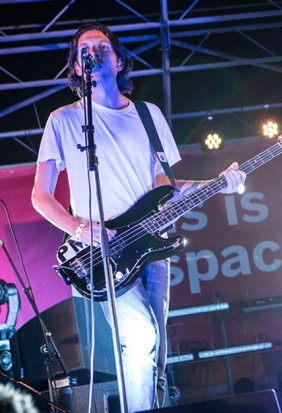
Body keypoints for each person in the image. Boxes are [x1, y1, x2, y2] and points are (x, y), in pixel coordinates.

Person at [31, 22, 246, 412]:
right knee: (140, 334)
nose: (93, 53)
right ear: (77, 68)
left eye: (101, 46)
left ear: (119, 60)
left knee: (156, 350)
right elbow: (40, 197)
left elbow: (166, 186)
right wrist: (80, 228)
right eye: (84, 50)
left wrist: (219, 184)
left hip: (151, 242)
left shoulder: (148, 115)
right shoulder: (62, 120)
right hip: (104, 252)